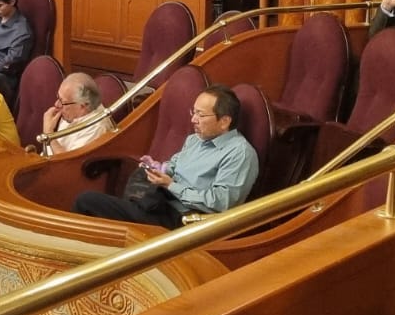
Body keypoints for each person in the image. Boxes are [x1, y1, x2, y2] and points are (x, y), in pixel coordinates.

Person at [73, 85, 258, 228]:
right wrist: (157, 168)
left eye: (201, 115)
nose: (193, 119)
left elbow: (220, 203)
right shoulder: (195, 140)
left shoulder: (239, 153)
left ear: (225, 121)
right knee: (134, 180)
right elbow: (174, 166)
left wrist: (171, 185)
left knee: (87, 201)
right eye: (193, 112)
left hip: (183, 219)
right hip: (160, 201)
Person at [39, 73, 115, 156]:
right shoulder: (72, 113)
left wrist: (49, 134)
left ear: (82, 106)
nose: (56, 104)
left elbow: (68, 163)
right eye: (58, 97)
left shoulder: (96, 127)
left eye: (62, 101)